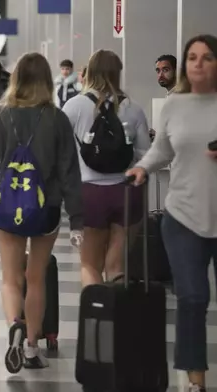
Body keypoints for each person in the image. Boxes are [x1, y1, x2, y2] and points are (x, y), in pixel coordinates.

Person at [0, 52, 83, 372]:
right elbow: (69, 172)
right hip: (46, 208)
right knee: (36, 279)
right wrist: (77, 218)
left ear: (16, 78)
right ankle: (33, 348)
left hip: (9, 207)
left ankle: (14, 326)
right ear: (48, 80)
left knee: (10, 279)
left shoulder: (2, 115)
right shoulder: (57, 118)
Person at [126, 34, 217, 392]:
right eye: (191, 57)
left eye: (206, 57)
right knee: (193, 296)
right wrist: (143, 168)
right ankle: (195, 380)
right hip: (182, 215)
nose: (197, 63)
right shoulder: (175, 105)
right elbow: (161, 149)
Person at [62, 49, 151, 287]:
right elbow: (145, 154)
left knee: (90, 266)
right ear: (117, 74)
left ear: (89, 72)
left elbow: (59, 151)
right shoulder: (133, 108)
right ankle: (118, 320)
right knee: (117, 267)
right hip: (127, 192)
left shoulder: (74, 106)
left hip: (89, 194)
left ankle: (95, 320)